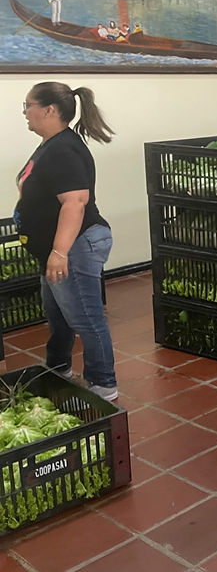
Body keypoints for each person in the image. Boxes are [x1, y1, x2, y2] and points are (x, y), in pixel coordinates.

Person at [15, 82, 117, 400]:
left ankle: (104, 386)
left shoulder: (62, 150)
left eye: (28, 106)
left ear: (49, 110)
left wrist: (60, 252)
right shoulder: (53, 144)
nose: (25, 113)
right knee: (59, 313)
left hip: (75, 245)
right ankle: (58, 369)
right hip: (59, 247)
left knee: (85, 316)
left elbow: (75, 202)